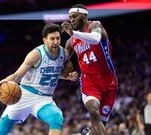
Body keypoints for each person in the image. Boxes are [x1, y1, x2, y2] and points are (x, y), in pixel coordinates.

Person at [0, 23, 78, 135]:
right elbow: (17, 76)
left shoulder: (64, 54)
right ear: (45, 40)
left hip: (44, 99)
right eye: (52, 39)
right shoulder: (35, 54)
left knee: (57, 117)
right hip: (24, 95)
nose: (55, 42)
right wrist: (4, 81)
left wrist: (68, 77)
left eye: (58, 38)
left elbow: (55, 73)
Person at [61, 4, 118, 135]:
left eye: (75, 16)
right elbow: (61, 62)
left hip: (109, 80)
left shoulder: (95, 26)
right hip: (89, 81)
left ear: (85, 16)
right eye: (70, 17)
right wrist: (65, 74)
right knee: (93, 110)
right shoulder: (70, 42)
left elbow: (96, 39)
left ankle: (87, 134)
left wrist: (74, 33)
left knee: (100, 125)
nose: (72, 20)